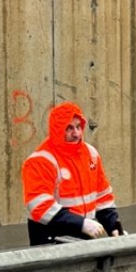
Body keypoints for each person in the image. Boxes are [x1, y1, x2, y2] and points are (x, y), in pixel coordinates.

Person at [22, 101, 125, 245]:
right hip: (51, 239)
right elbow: (41, 206)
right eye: (69, 128)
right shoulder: (40, 161)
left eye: (78, 127)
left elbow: (103, 196)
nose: (76, 133)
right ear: (58, 130)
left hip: (82, 235)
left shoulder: (90, 154)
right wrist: (81, 224)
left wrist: (113, 225)